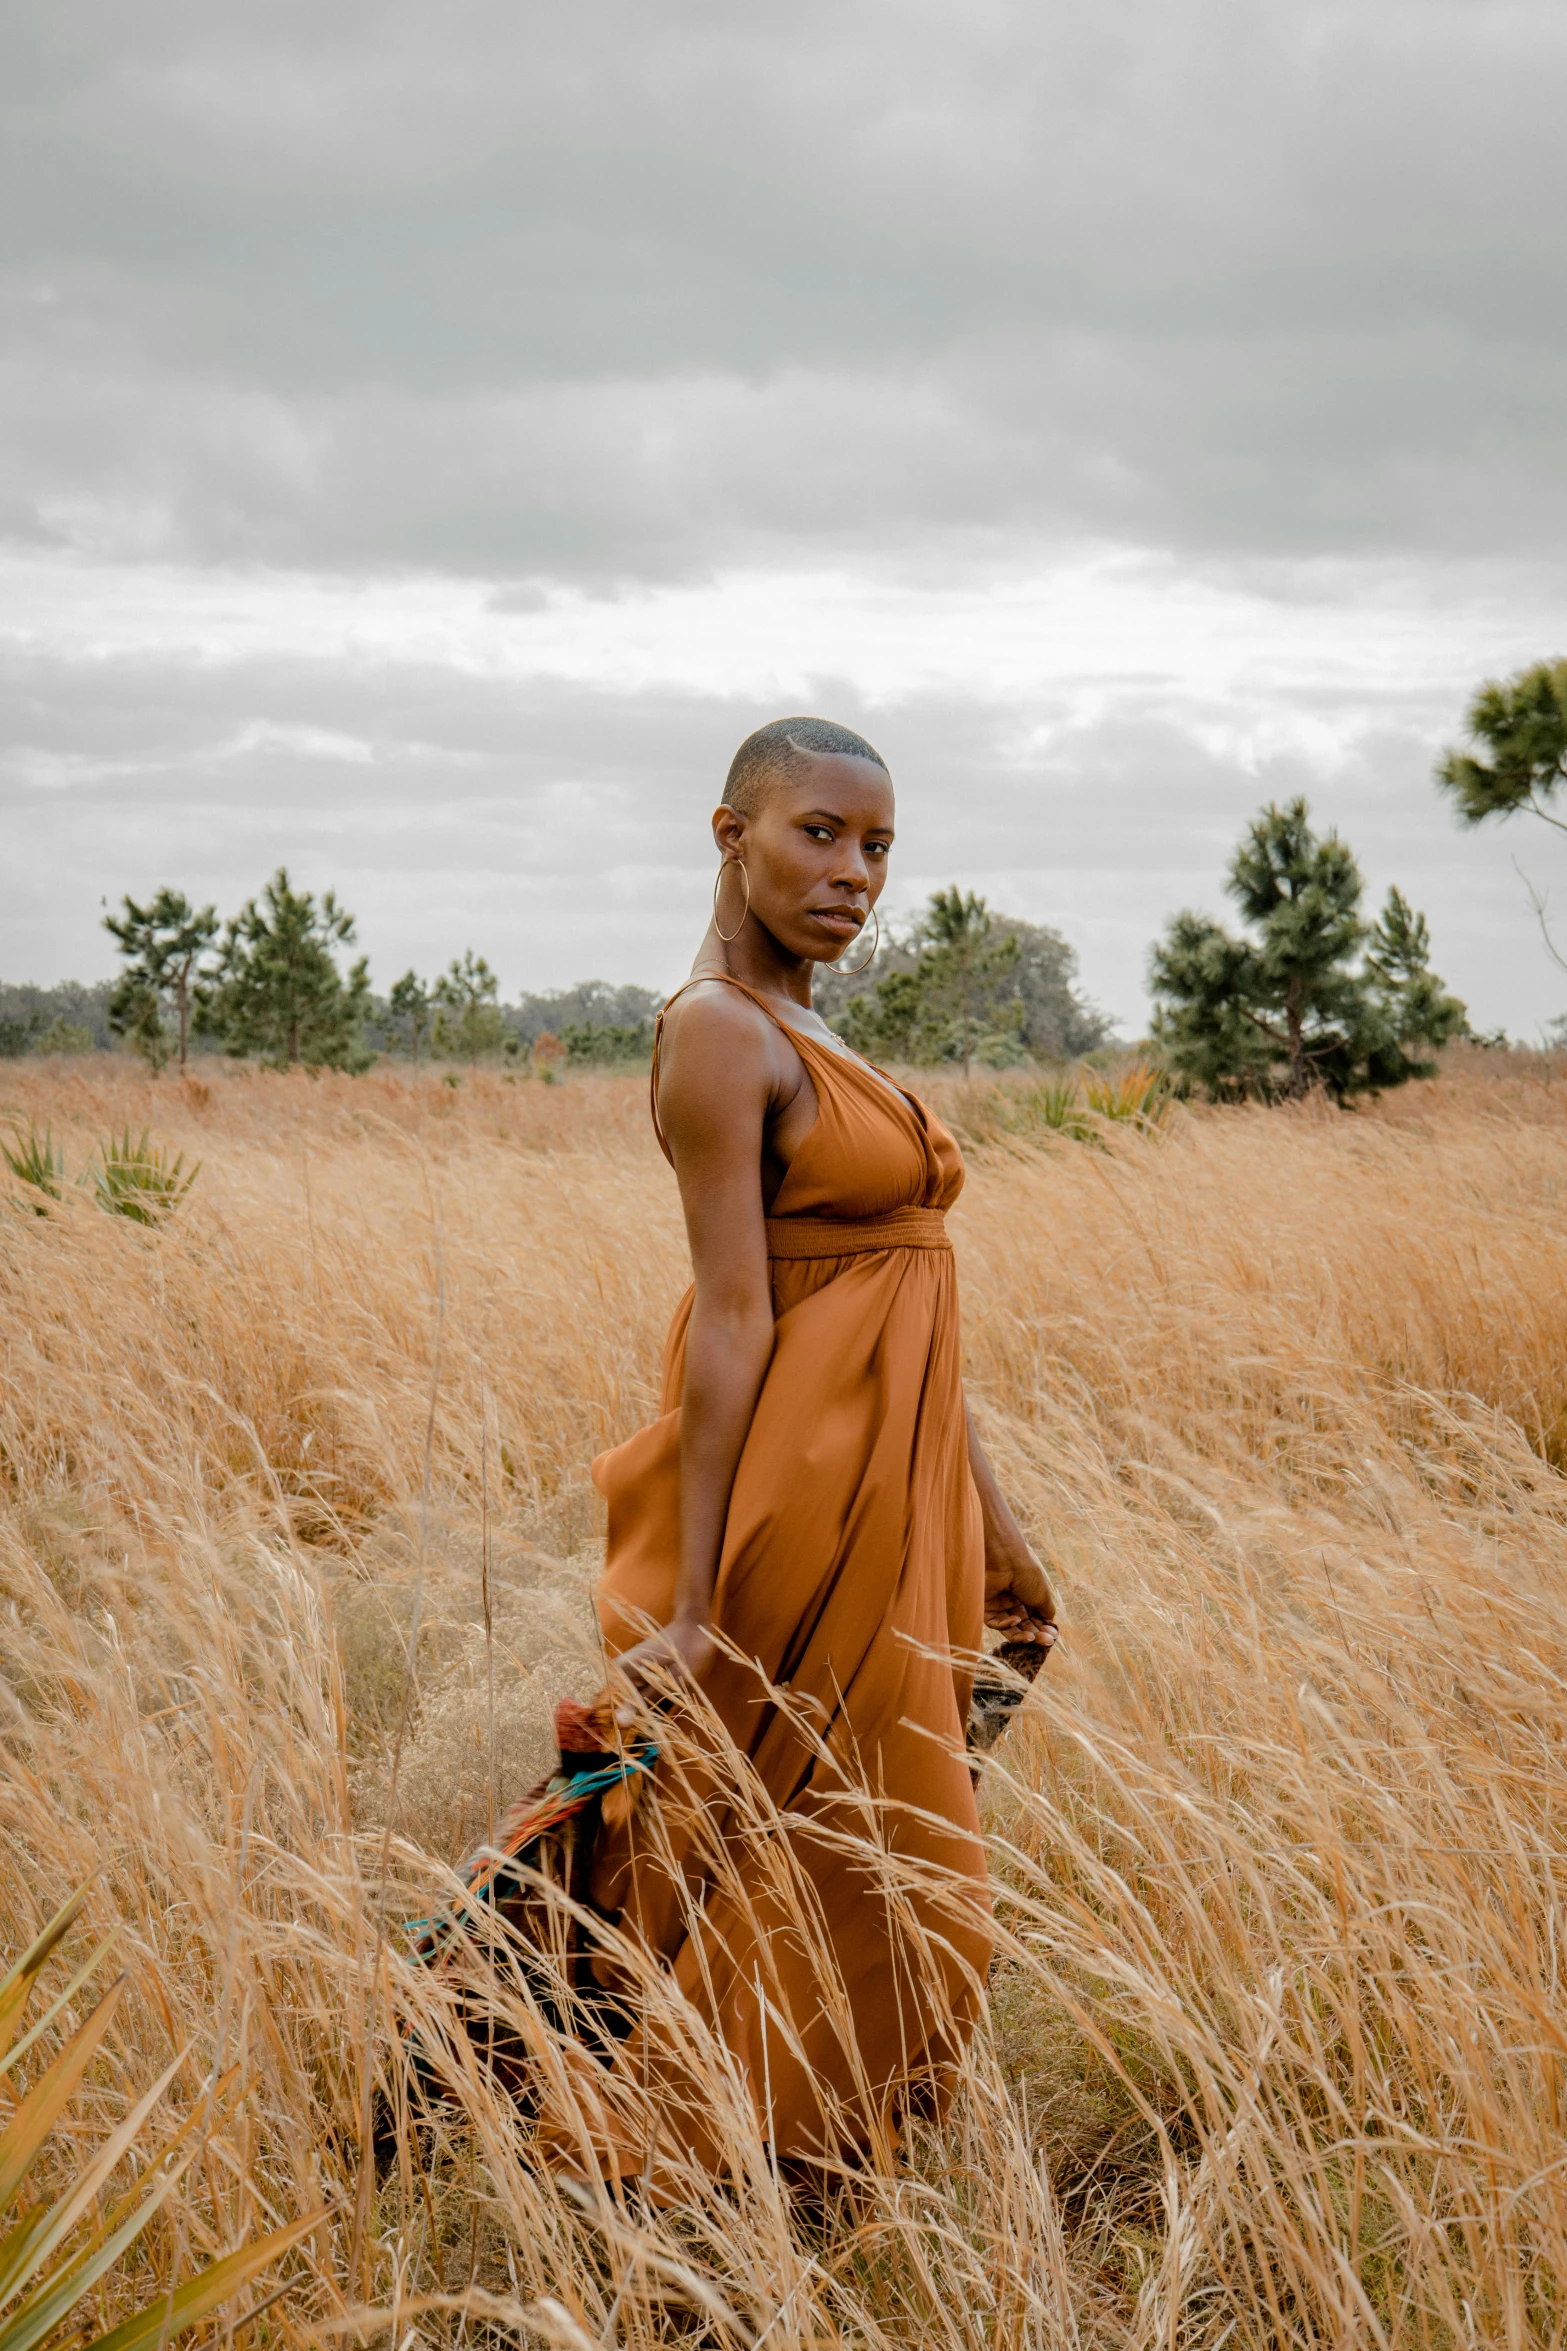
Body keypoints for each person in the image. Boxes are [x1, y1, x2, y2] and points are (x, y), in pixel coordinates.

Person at [574, 716, 1057, 2179]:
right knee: (901, 1879)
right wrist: (699, 1599)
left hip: (894, 1500)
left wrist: (986, 1518)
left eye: (879, 847)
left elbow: (901, 1298)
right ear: (730, 834)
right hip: (796, 1506)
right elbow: (731, 1320)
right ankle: (669, 2172)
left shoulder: (814, 1026)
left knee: (840, 1866)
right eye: (819, 834)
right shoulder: (716, 1027)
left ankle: (788, 2207)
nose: (854, 873)